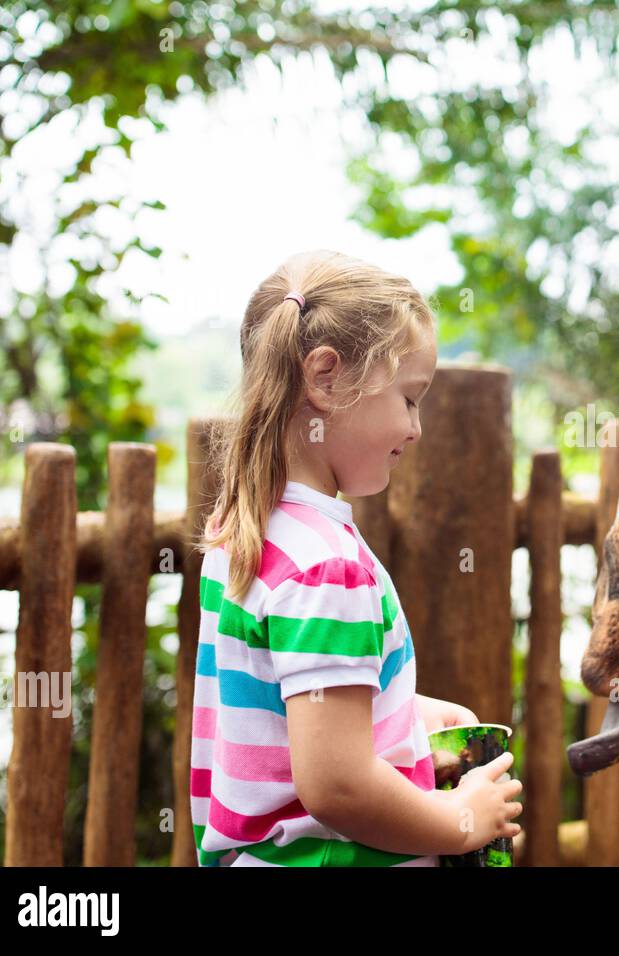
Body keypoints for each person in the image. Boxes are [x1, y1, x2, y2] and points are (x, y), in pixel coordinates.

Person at [188, 249, 521, 866]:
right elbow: (336, 785)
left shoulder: (249, 532)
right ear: (325, 378)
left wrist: (406, 708)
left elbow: (282, 701)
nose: (417, 428)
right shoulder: (326, 567)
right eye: (410, 398)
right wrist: (461, 819)